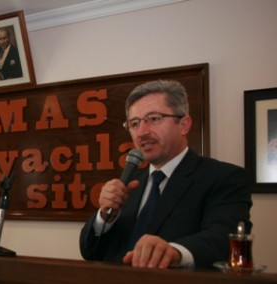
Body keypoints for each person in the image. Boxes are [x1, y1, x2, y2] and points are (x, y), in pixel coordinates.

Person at [79, 80, 252, 269]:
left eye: (154, 119)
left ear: (184, 125)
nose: (142, 132)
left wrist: (175, 252)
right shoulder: (129, 185)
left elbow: (225, 238)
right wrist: (105, 217)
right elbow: (90, 251)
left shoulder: (224, 177)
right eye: (134, 123)